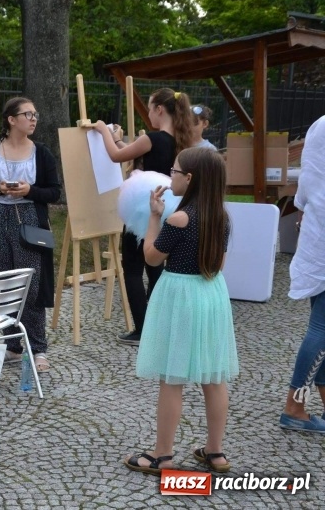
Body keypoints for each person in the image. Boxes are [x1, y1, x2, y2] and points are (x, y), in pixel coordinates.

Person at [124, 147, 238, 476]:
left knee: (172, 378)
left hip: (181, 294)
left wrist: (155, 215)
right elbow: (219, 263)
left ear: (189, 179)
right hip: (212, 293)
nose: (168, 177)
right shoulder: (222, 217)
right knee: (213, 377)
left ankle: (162, 455)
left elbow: (151, 257)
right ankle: (215, 452)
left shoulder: (179, 218)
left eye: (174, 171)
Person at [93, 88, 195, 346]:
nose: (149, 114)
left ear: (160, 109)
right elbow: (128, 150)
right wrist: (118, 139)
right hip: (167, 208)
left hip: (143, 208)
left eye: (150, 108)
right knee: (155, 265)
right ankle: (159, 323)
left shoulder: (152, 138)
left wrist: (103, 129)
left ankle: (141, 328)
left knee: (132, 269)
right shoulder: (180, 141)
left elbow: (117, 156)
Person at [0, 97, 61, 372]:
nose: (34, 118)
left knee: (32, 283)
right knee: (2, 282)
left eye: (35, 114)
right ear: (12, 120)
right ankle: (12, 344)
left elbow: (55, 192)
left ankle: (38, 349)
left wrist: (29, 191)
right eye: (28, 114)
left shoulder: (42, 152)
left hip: (31, 220)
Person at [279, 115, 325, 433]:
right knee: (322, 330)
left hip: (317, 234)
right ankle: (295, 406)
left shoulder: (320, 125)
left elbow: (309, 178)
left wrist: (305, 208)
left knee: (323, 329)